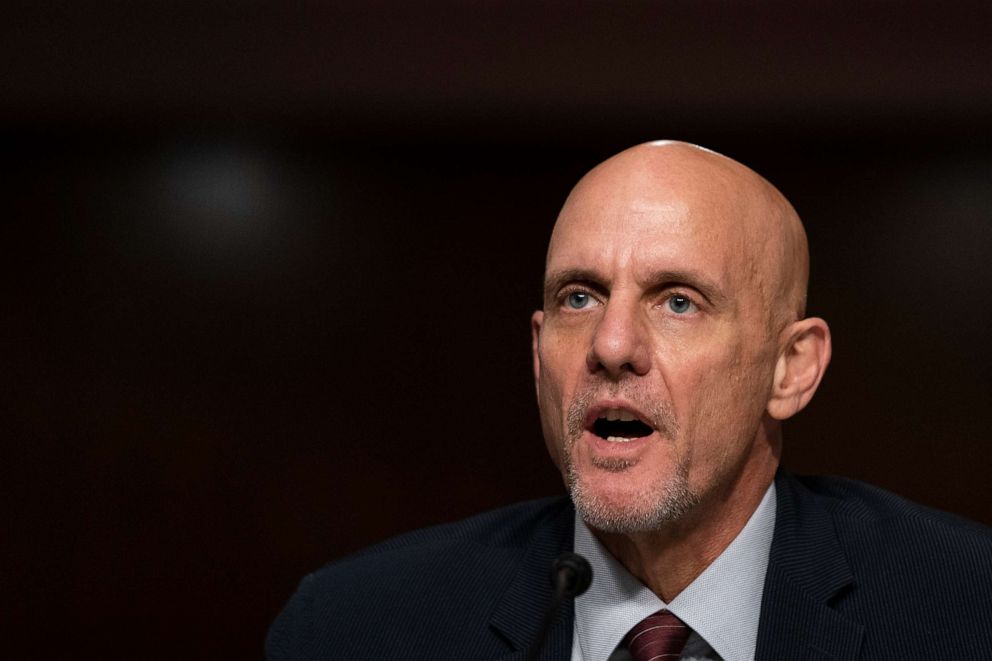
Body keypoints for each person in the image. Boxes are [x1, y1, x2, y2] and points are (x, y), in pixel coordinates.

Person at [267, 141, 992, 660]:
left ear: (790, 369)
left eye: (678, 301)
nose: (611, 345)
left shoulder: (965, 610)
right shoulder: (350, 627)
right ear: (537, 353)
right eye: (578, 297)